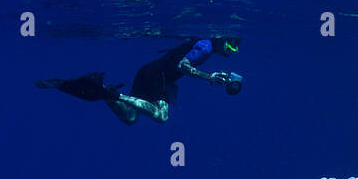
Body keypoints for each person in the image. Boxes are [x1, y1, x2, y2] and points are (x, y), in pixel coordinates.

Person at [35, 37, 242, 124]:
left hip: (149, 72)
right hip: (156, 75)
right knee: (161, 116)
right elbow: (181, 66)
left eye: (237, 48)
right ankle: (114, 94)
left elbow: (175, 62)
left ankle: (102, 89)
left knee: (130, 118)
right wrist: (209, 77)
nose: (233, 51)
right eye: (232, 45)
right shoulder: (206, 47)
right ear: (222, 38)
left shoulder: (204, 45)